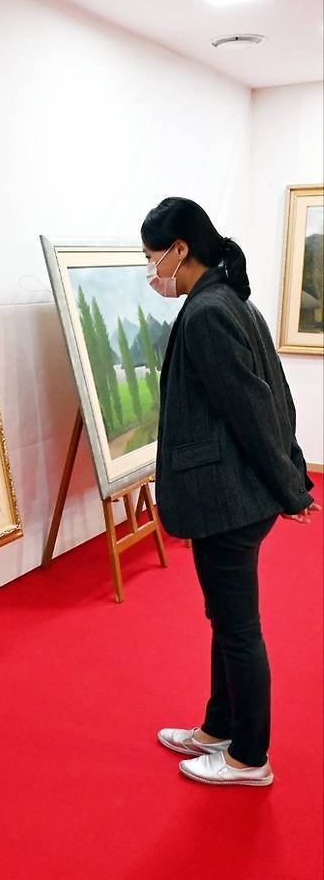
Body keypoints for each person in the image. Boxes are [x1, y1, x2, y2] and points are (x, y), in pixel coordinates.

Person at [140, 197, 320, 787]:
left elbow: (254, 410)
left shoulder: (209, 311)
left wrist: (292, 486)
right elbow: (276, 396)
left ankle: (249, 756)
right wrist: (291, 475)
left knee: (239, 629)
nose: (152, 271)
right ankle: (218, 727)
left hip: (229, 500)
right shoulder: (225, 298)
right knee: (226, 621)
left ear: (179, 250)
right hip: (236, 495)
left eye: (152, 257)